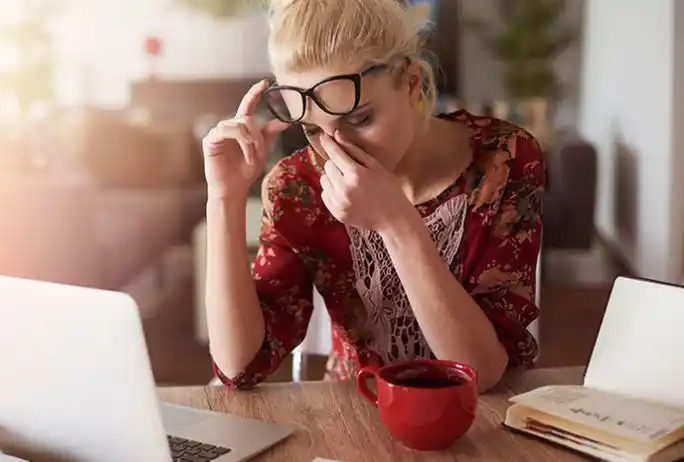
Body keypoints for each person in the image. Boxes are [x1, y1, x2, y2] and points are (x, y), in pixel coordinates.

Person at [201, 0, 545, 393]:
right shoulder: (298, 188)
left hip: (480, 418)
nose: (338, 150)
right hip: (355, 409)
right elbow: (240, 367)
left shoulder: (504, 159)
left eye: (360, 119)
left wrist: (396, 223)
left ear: (413, 82)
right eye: (313, 130)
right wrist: (224, 197)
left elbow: (481, 373)